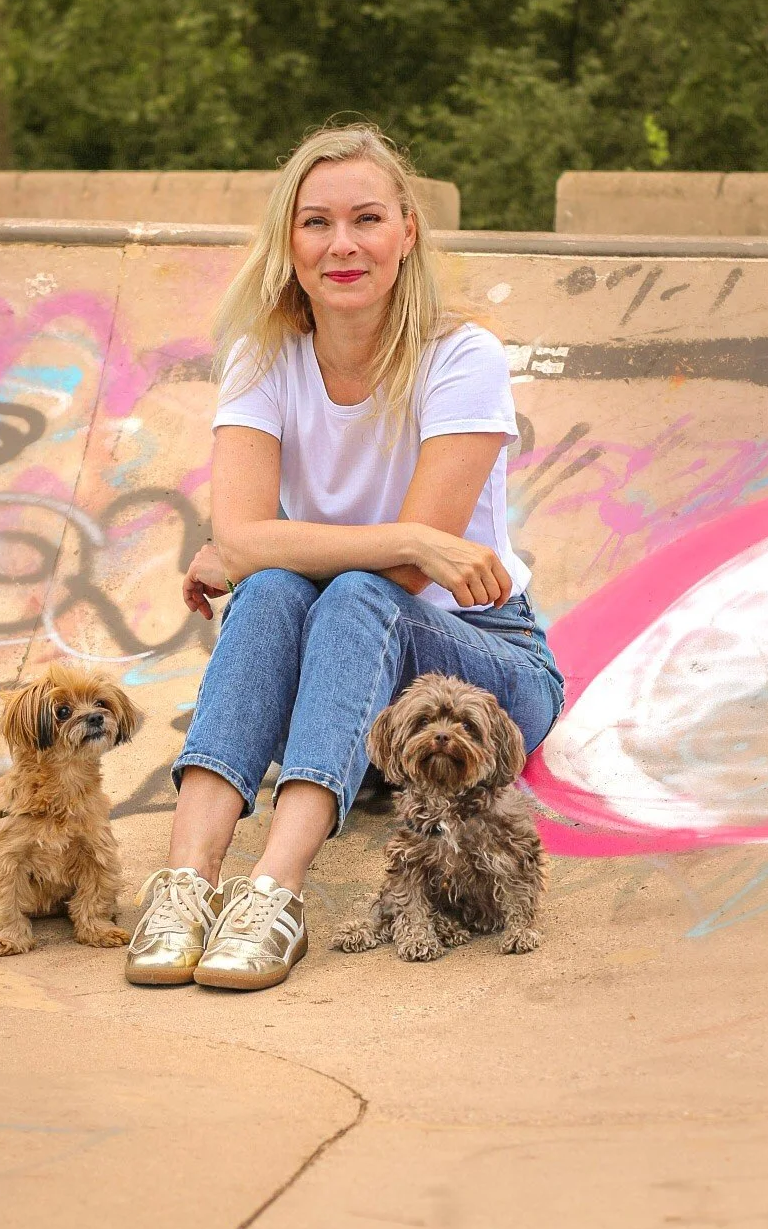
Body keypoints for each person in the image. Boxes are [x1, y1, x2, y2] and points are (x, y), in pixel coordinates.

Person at [126, 123, 564, 992]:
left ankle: (275, 891)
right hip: (354, 684)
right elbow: (263, 540)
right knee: (276, 590)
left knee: (341, 587)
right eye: (316, 223)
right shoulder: (263, 353)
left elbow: (391, 578)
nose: (343, 244)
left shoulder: (459, 355)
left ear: (406, 230)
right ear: (287, 243)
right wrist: (396, 536)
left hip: (486, 666)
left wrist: (262, 552)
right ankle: (185, 883)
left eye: (366, 219)